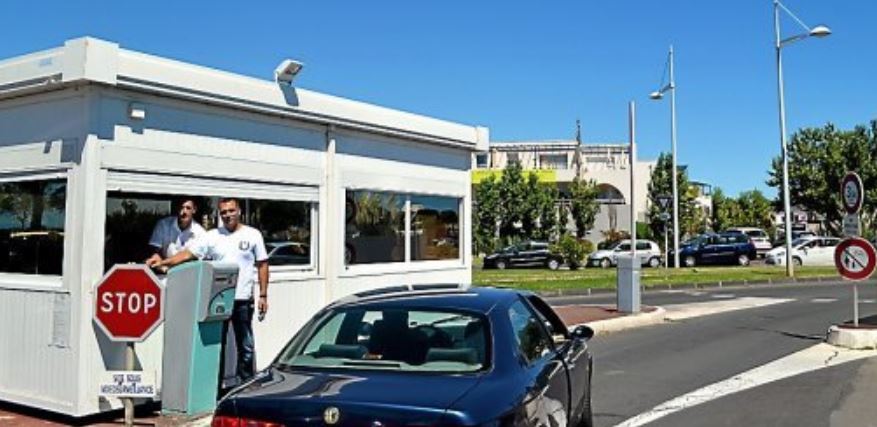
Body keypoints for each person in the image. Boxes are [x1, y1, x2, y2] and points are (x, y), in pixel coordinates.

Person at [147, 197, 269, 382]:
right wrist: (163, 262)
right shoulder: (212, 236)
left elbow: (262, 265)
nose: (228, 215)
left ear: (239, 212)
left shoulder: (253, 235)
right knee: (217, 346)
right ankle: (215, 389)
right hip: (218, 299)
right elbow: (187, 254)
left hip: (243, 300)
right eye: (224, 212)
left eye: (231, 211)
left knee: (245, 346)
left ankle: (245, 387)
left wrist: (263, 295)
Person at [145, 197, 206, 265]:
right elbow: (154, 250)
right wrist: (156, 261)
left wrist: (162, 263)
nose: (184, 212)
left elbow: (186, 255)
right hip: (162, 271)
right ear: (177, 209)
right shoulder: (163, 224)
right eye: (181, 208)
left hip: (188, 271)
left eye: (188, 208)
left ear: (194, 210)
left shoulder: (200, 233)